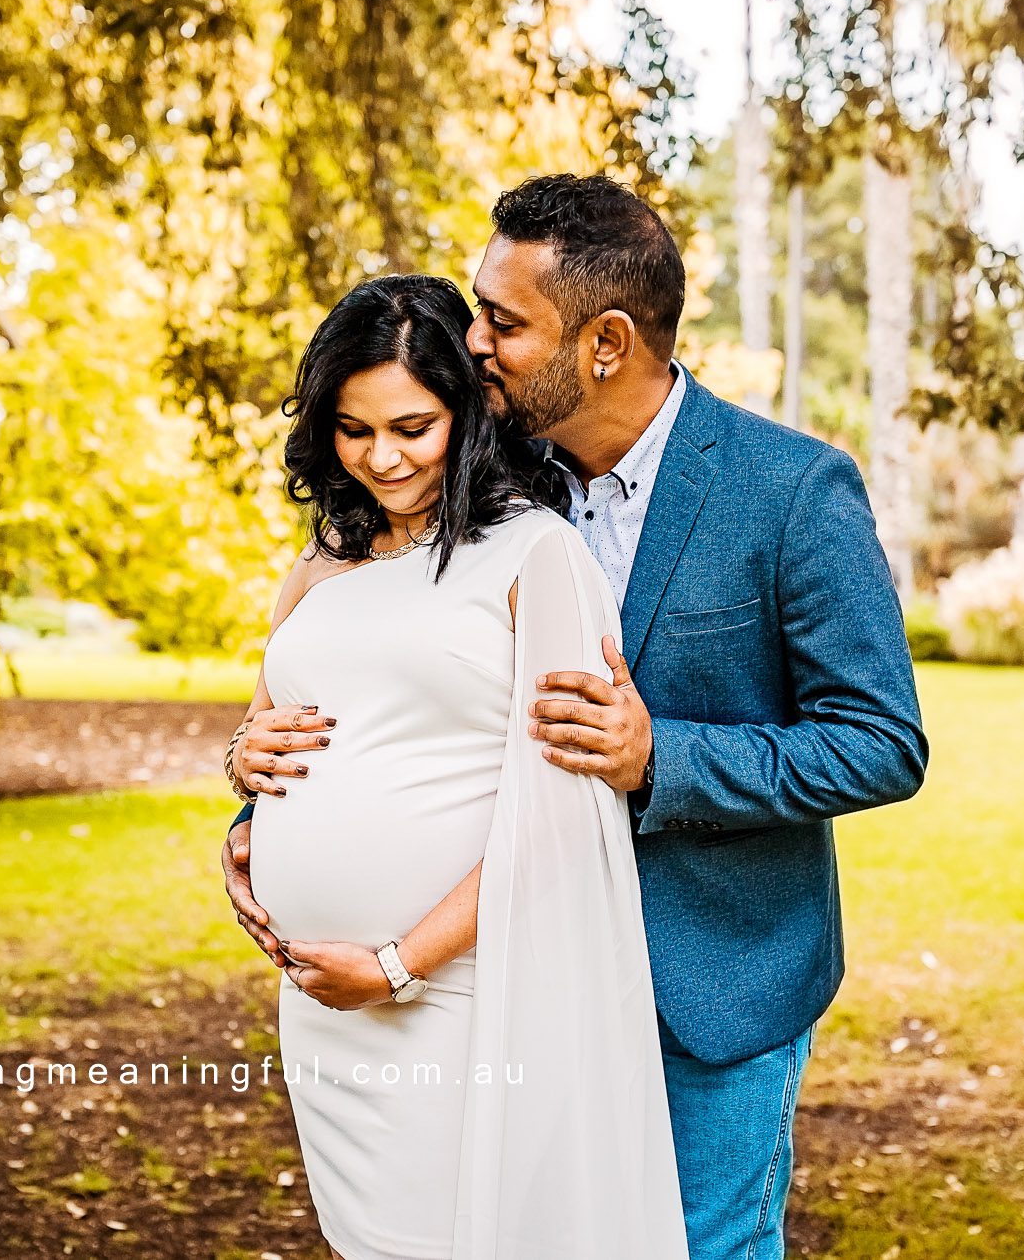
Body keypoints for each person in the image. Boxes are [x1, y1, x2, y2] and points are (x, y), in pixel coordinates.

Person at [225, 174, 929, 1260]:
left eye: (502, 321)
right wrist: (255, 792)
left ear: (603, 343)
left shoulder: (788, 489)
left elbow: (881, 742)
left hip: (701, 980)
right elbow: (387, 669)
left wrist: (661, 757)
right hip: (509, 976)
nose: (473, 341)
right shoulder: (488, 477)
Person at [222, 272, 689, 1260]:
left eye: (410, 426)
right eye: (353, 430)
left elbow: (560, 816)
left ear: (469, 409)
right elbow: (277, 737)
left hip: (455, 993)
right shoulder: (315, 566)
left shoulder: (535, 557)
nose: (382, 457)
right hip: (322, 1006)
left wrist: (395, 965)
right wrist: (242, 816)